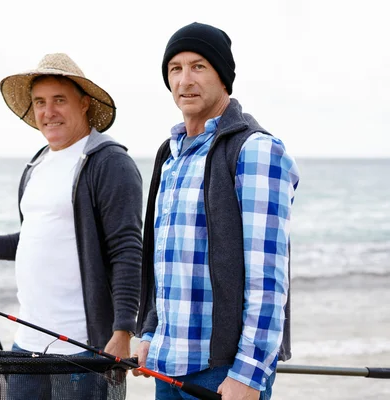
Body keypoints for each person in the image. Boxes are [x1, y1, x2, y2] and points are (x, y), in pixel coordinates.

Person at [0, 53, 143, 398]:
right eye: (39, 102)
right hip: (27, 344)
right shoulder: (36, 165)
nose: (48, 112)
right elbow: (39, 238)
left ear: (83, 104)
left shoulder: (110, 163)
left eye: (58, 100)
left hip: (84, 348)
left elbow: (127, 249)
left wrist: (123, 329)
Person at [132, 22, 300, 400]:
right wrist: (149, 333)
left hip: (223, 372)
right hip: (166, 364)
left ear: (223, 77)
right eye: (175, 69)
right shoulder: (170, 154)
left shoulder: (256, 150)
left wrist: (250, 372)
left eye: (199, 66)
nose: (185, 80)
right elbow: (164, 261)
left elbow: (268, 277)